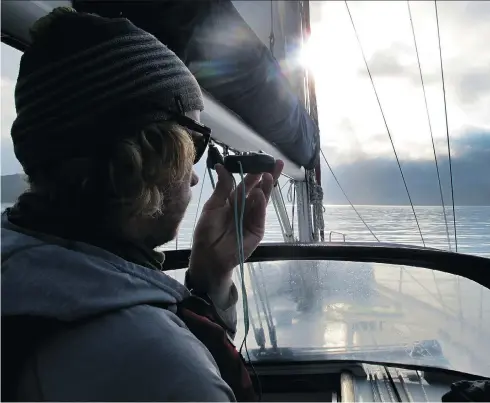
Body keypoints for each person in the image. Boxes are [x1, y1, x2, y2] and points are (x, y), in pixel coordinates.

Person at [1, 7, 283, 402]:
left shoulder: (17, 274)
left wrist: (212, 275)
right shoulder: (162, 370)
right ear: (146, 156)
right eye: (196, 145)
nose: (194, 176)